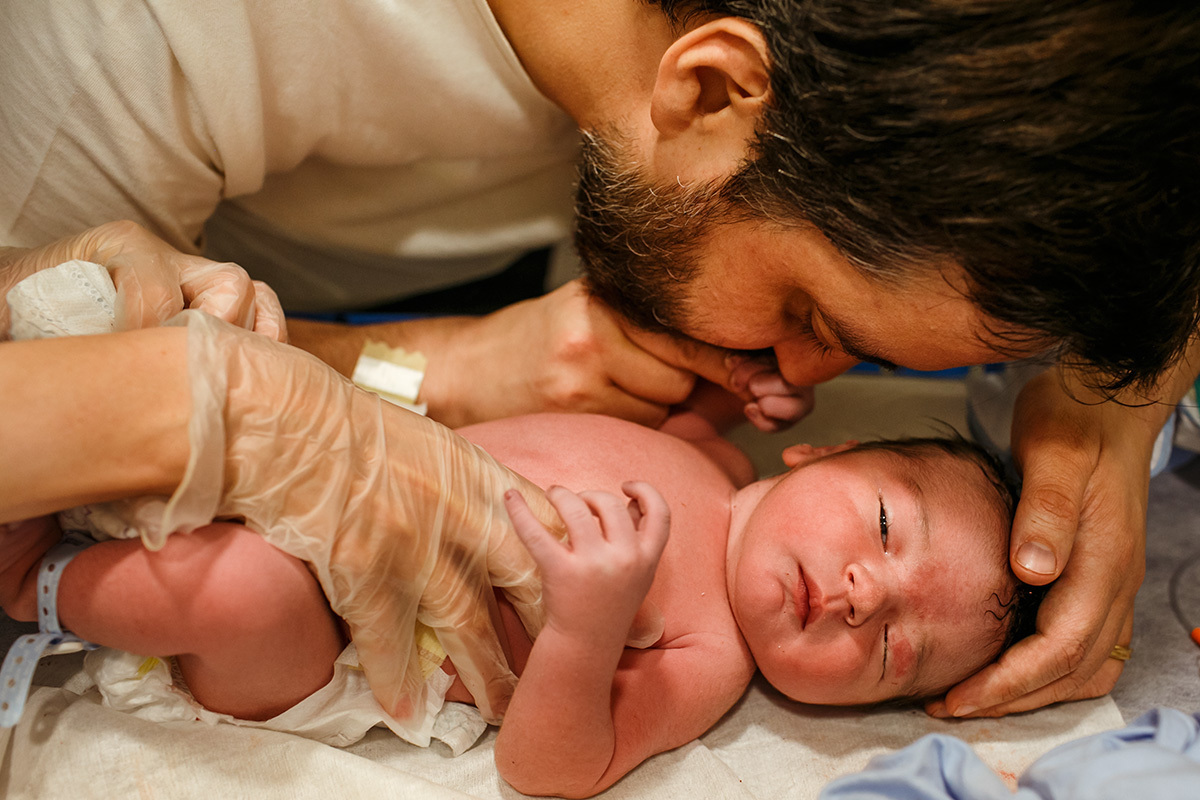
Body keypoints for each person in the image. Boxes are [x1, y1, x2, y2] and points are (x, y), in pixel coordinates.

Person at [2, 0, 1196, 723]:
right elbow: (51, 368)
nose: (795, 371)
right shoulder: (142, 50)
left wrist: (1119, 390)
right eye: (802, 304)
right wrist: (421, 369)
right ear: (711, 85)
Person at [0, 405, 1035, 798]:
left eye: (896, 647)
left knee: (241, 591)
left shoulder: (711, 654)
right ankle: (75, 484)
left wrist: (585, 627)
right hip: (336, 481)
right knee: (204, 408)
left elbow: (551, 767)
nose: (863, 593)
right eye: (887, 528)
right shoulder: (705, 453)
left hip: (348, 643)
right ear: (827, 449)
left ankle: (34, 580)